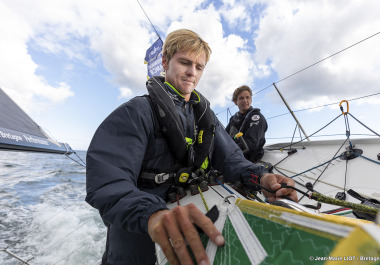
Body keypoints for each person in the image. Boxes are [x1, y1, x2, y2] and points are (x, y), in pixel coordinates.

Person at [86, 29, 297, 265]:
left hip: (186, 210)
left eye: (199, 67)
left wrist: (262, 178)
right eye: (184, 62)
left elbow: (231, 160)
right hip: (137, 227)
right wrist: (152, 215)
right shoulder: (136, 113)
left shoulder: (205, 118)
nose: (191, 72)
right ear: (165, 62)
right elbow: (108, 180)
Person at [226, 85, 268, 163]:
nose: (245, 100)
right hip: (232, 157)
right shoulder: (233, 119)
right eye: (241, 98)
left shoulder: (256, 117)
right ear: (235, 102)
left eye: (247, 97)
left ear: (251, 100)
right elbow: (224, 137)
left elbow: (251, 143)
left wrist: (228, 152)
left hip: (249, 160)